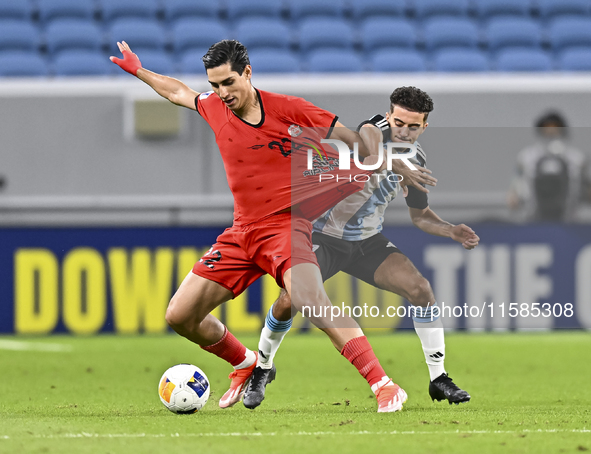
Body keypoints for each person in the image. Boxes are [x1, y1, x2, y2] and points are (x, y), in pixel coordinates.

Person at [110, 40, 437, 413]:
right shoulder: (214, 106)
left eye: (229, 82)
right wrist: (139, 70)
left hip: (285, 226)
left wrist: (390, 162)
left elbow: (356, 143)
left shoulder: (290, 109)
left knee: (311, 300)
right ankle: (246, 363)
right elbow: (178, 92)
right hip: (241, 231)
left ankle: (383, 384)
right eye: (215, 85)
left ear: (248, 73)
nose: (222, 93)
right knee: (180, 316)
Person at [244, 86, 479, 409]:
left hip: (366, 242)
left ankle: (438, 379)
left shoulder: (418, 159)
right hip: (322, 235)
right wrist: (394, 162)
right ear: (388, 116)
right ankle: (262, 367)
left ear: (424, 127)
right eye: (399, 122)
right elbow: (370, 144)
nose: (404, 131)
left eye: (413, 126)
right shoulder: (371, 131)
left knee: (421, 289)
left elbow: (421, 216)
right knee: (289, 300)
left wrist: (450, 230)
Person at [507, 111, 591, 222]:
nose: (551, 131)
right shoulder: (526, 157)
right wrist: (513, 194)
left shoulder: (576, 158)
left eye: (555, 127)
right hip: (534, 219)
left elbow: (585, 187)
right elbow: (517, 181)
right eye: (547, 127)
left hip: (569, 221)